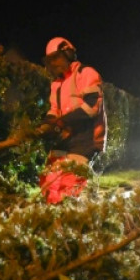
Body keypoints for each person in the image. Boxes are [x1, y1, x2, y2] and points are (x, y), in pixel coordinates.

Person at [34, 37, 107, 204]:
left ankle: (69, 218)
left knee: (68, 185)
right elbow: (54, 111)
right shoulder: (56, 84)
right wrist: (46, 125)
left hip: (86, 139)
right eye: (50, 61)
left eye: (56, 58)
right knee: (49, 181)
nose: (53, 64)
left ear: (68, 54)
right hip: (65, 139)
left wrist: (61, 122)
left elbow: (92, 107)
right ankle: (53, 218)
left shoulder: (86, 73)